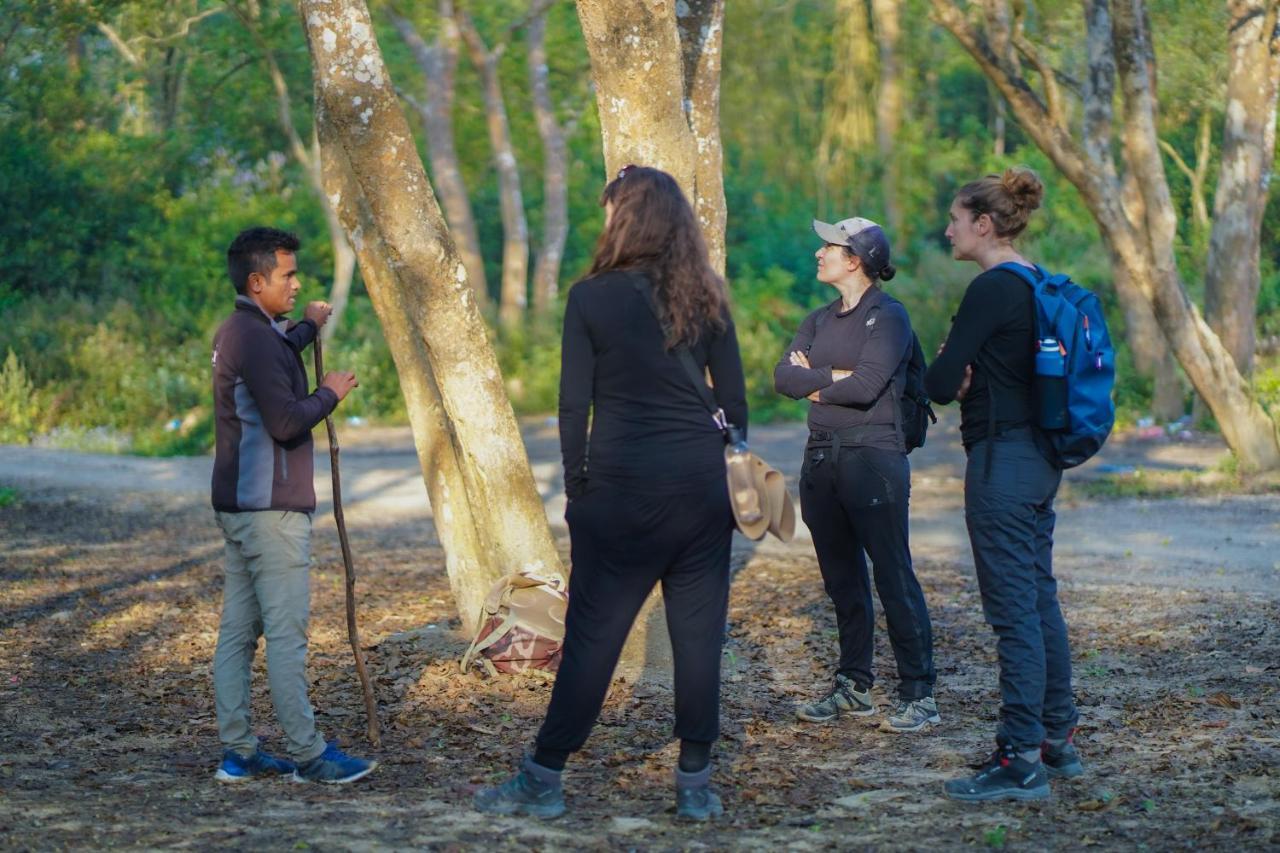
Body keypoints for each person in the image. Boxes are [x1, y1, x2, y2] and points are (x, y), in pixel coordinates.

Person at [473, 166, 747, 821]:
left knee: (594, 636)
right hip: (703, 491)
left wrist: (577, 492)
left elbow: (574, 408)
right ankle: (695, 784)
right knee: (700, 635)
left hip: (622, 491)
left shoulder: (591, 297)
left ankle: (544, 777)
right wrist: (712, 464)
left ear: (624, 218)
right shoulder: (708, 294)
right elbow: (735, 405)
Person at [925, 168, 1083, 802]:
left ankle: (1019, 758)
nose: (948, 229)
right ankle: (1057, 741)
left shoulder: (992, 288)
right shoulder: (1037, 282)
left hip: (1001, 462)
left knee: (1013, 611)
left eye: (956, 220)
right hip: (1040, 459)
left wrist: (953, 370)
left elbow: (938, 382)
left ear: (983, 225)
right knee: (1039, 598)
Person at [210, 226, 376, 785]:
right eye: (286, 275)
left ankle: (239, 753)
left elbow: (278, 359)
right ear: (257, 281)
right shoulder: (253, 337)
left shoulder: (247, 330)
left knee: (238, 632)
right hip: (270, 511)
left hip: (241, 507)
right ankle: (309, 755)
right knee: (285, 635)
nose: (295, 281)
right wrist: (330, 392)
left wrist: (308, 324)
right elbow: (284, 421)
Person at [773, 217, 938, 734]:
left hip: (874, 458)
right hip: (820, 459)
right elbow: (783, 377)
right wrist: (828, 381)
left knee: (892, 574)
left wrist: (812, 381)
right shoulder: (818, 319)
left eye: (830, 247)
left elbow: (866, 386)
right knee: (842, 580)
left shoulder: (890, 317)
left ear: (856, 259)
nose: (818, 254)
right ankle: (854, 687)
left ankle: (919, 694)